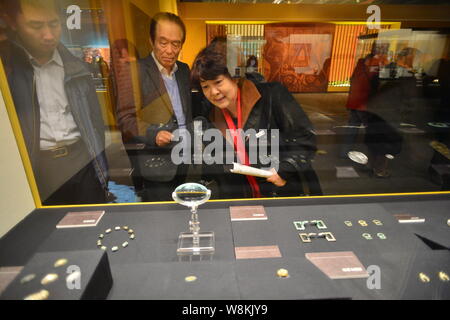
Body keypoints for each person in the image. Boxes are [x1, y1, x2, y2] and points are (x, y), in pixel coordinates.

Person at [0, 0, 109, 205]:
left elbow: (95, 125)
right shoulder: (7, 70)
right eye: (36, 26)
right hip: (37, 164)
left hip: (82, 160)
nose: (48, 35)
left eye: (54, 24)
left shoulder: (77, 68)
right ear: (13, 23)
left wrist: (100, 168)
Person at [191, 48, 322, 199]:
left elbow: (305, 137)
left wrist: (285, 169)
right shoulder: (210, 115)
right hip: (240, 198)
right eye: (205, 86)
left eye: (218, 82)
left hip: (281, 191)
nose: (213, 92)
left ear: (235, 77)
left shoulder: (272, 95)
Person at [115, 12, 192, 202]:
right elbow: (125, 118)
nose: (169, 50)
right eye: (163, 42)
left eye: (176, 44)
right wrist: (153, 134)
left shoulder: (183, 70)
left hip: (184, 155)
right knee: (160, 215)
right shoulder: (135, 71)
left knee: (183, 206)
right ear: (151, 41)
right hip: (156, 159)